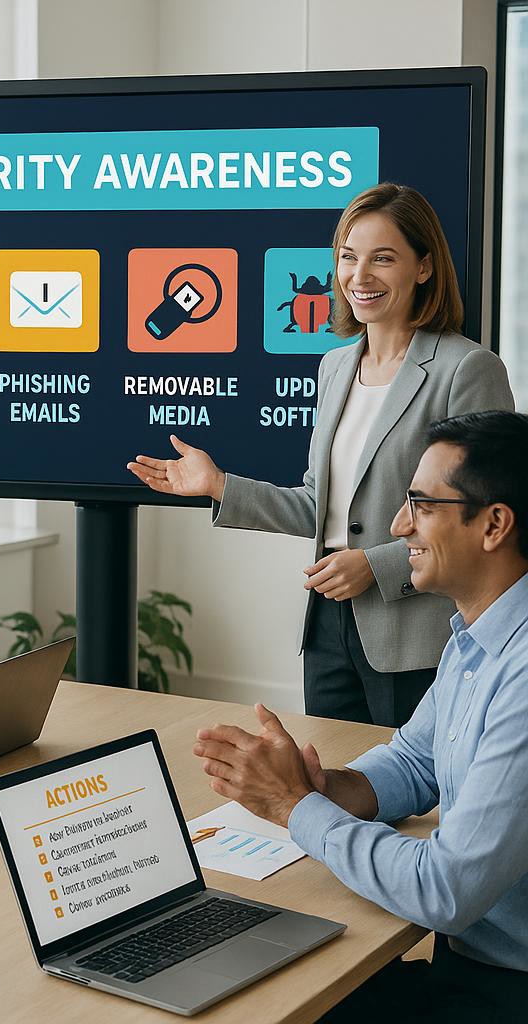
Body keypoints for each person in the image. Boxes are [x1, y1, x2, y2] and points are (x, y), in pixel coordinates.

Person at [129, 183, 514, 727]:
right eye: (349, 257)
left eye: (384, 258)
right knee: (334, 782)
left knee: (410, 798)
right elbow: (320, 506)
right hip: (327, 625)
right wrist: (219, 486)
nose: (360, 276)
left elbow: (486, 526)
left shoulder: (466, 368)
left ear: (424, 267)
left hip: (415, 628)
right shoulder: (334, 367)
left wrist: (375, 567)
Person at [192, 410, 528, 1018]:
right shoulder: (480, 634)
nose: (399, 526)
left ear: (494, 524)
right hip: (473, 966)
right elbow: (416, 758)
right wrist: (329, 787)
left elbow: (443, 889)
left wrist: (298, 809)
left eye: (422, 505)